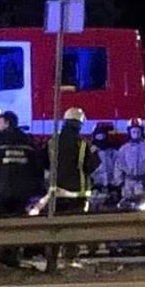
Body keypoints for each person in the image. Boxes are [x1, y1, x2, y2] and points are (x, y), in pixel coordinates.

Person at [0, 110, 43, 266]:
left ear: (7, 122)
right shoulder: (28, 140)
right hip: (23, 191)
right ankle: (14, 255)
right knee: (18, 223)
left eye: (0, 122)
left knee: (2, 224)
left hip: (2, 190)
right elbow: (37, 167)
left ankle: (3, 257)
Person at [47, 107, 101, 262]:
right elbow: (91, 166)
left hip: (56, 191)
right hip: (77, 193)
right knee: (73, 227)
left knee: (55, 226)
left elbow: (44, 163)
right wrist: (95, 153)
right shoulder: (82, 144)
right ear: (79, 124)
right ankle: (70, 258)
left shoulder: (52, 142)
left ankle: (52, 259)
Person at [114, 117, 145, 199]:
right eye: (133, 131)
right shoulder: (124, 149)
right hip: (128, 185)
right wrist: (119, 181)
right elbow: (118, 166)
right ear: (129, 132)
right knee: (128, 204)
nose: (136, 133)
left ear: (142, 131)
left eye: (138, 131)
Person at [90, 122, 120, 209]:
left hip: (112, 188)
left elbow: (119, 169)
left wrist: (116, 185)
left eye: (102, 135)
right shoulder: (90, 153)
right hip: (96, 188)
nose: (100, 138)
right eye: (98, 136)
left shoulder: (113, 153)